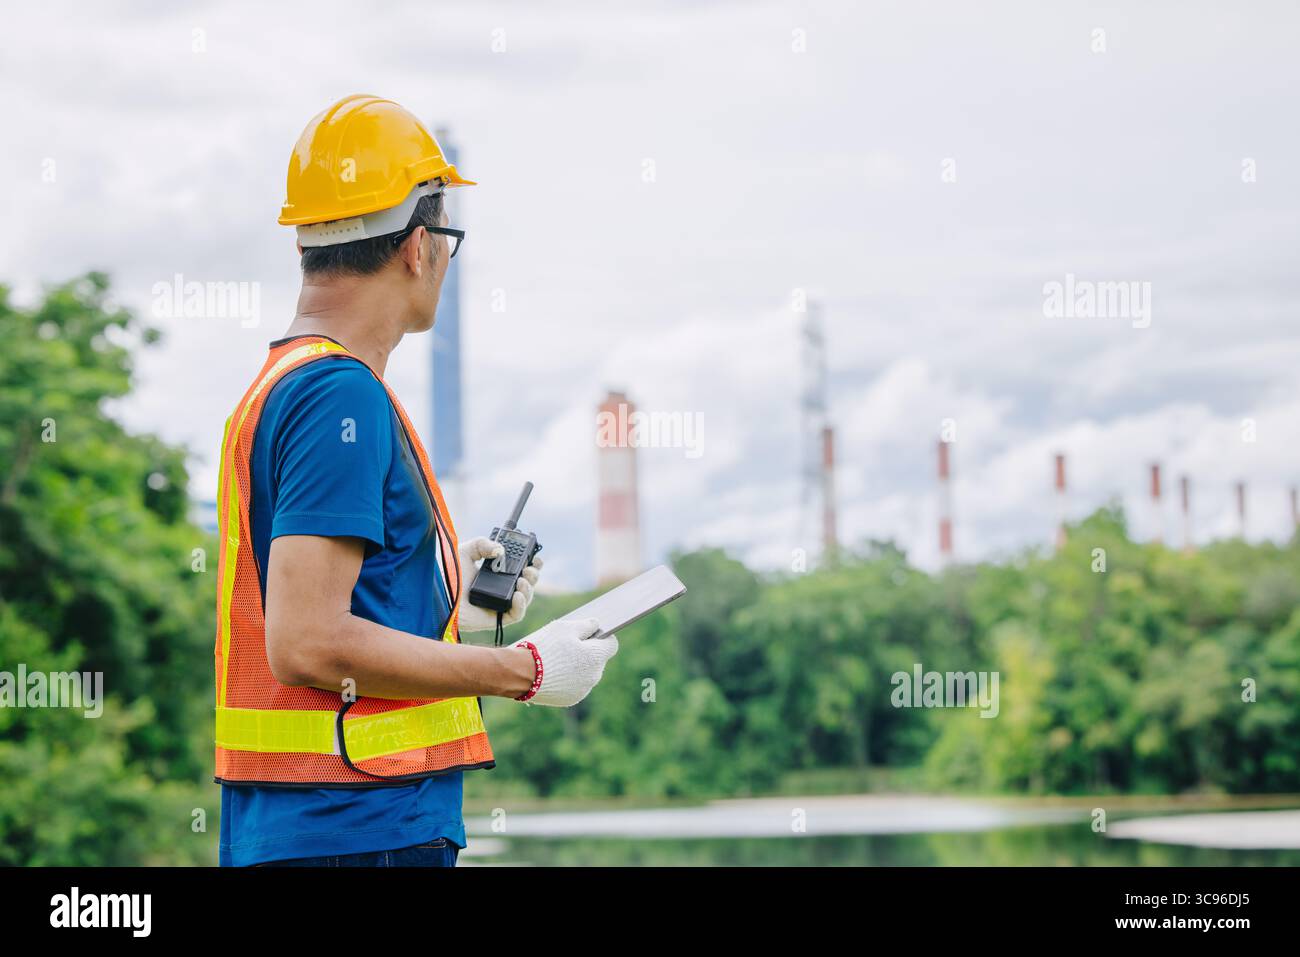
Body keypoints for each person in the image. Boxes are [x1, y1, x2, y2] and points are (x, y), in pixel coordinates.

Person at [214, 94, 619, 867]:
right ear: (420, 246)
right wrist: (522, 669)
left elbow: (314, 611)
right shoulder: (341, 395)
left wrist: (440, 610)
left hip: (310, 827)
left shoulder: (282, 385)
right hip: (358, 826)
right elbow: (306, 641)